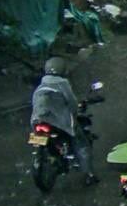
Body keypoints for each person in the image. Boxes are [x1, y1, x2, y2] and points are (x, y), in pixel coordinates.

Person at [30, 57, 98, 186]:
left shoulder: (41, 86)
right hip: (58, 121)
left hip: (37, 121)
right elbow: (72, 103)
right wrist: (74, 113)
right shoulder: (62, 83)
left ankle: (52, 155)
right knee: (81, 143)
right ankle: (89, 174)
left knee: (37, 138)